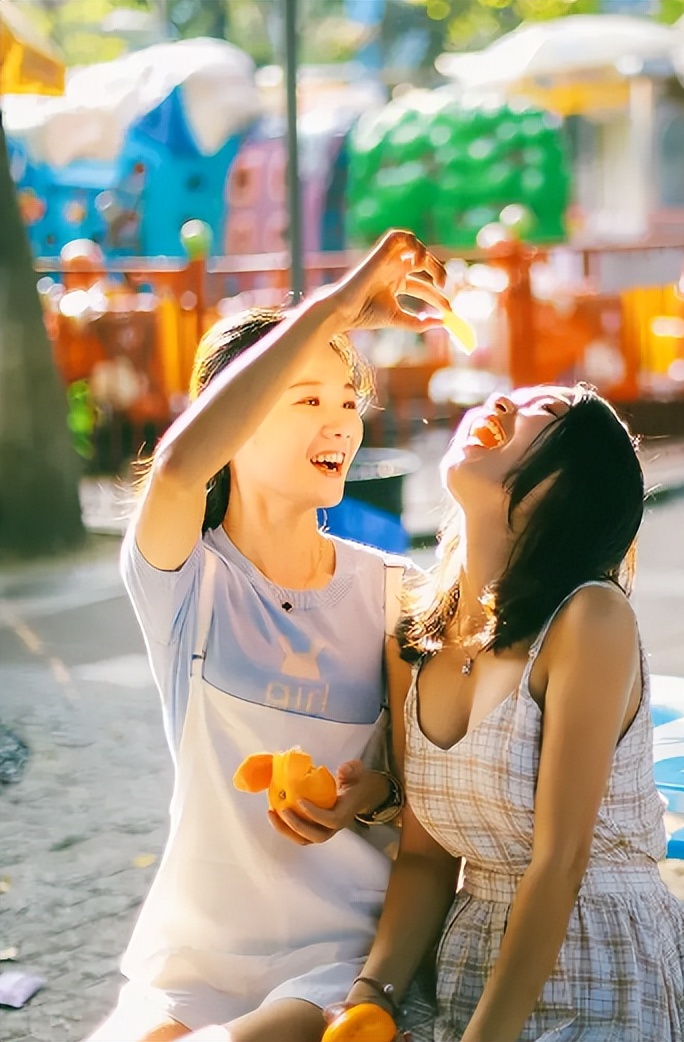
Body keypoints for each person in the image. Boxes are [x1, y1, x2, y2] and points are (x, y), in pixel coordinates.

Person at [86, 231, 450, 1042]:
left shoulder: (395, 594)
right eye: (307, 397)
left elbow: (422, 811)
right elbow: (179, 468)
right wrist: (339, 305)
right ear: (237, 420)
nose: (340, 423)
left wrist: (371, 795)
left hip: (337, 959)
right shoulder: (184, 581)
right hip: (193, 959)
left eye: (349, 400)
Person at [329, 384, 684, 1042]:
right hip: (468, 957)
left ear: (571, 489)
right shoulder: (415, 638)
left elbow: (559, 861)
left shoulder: (591, 618)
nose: (503, 405)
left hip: (599, 957)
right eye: (509, 396)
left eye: (548, 414)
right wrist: (373, 996)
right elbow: (425, 859)